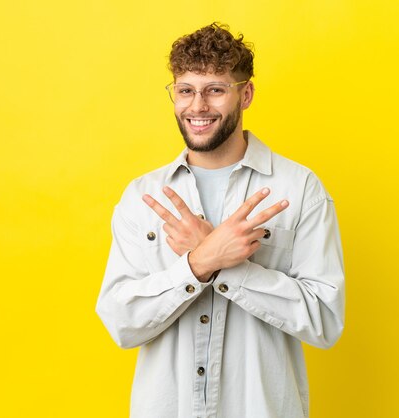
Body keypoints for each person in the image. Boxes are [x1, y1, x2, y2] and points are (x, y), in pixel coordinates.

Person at [96, 22, 345, 418]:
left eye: (215, 89)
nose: (197, 107)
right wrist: (200, 263)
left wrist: (233, 268)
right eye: (185, 91)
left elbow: (324, 320)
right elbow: (121, 323)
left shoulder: (299, 189)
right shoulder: (142, 196)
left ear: (244, 95)